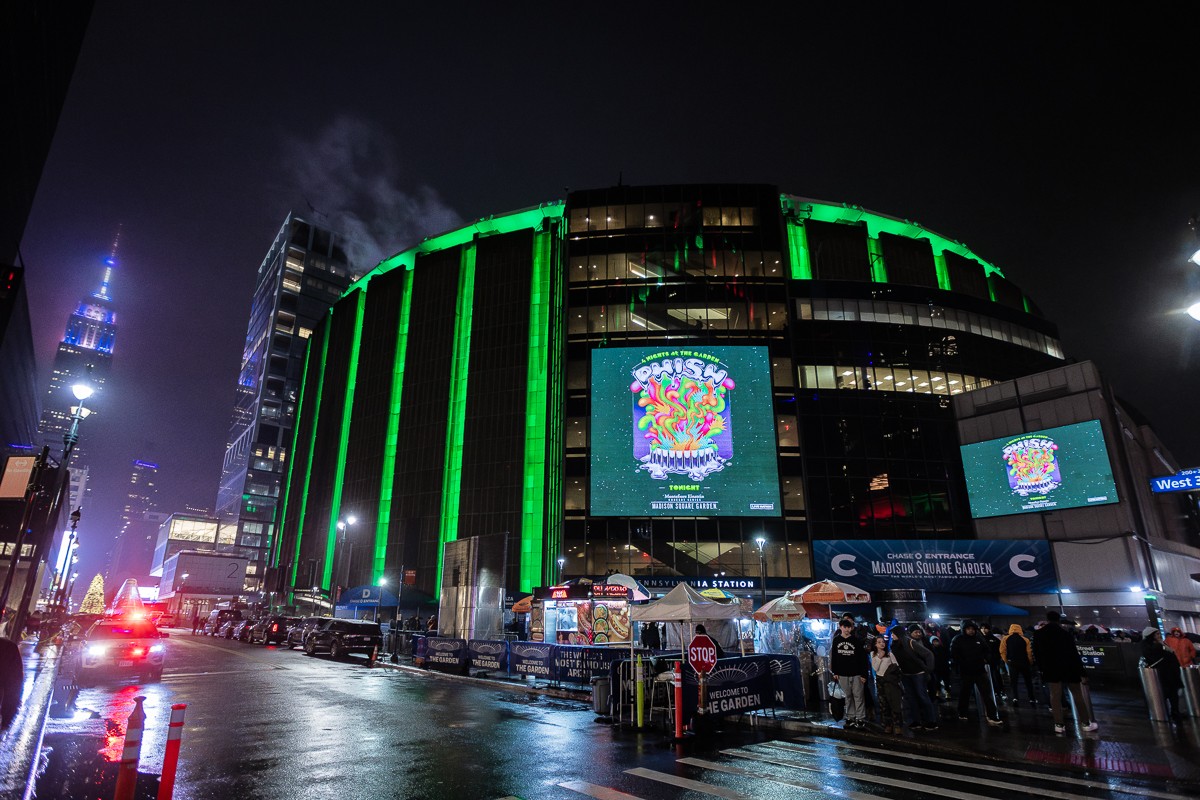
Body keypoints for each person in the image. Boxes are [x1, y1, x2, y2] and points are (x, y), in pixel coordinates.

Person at [1032, 611, 1098, 733]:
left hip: (1050, 668)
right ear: (1058, 620)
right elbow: (1074, 654)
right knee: (1077, 694)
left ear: (1047, 619)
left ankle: (1059, 725)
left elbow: (1037, 654)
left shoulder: (1038, 634)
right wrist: (1082, 672)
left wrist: (1041, 669)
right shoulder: (1065, 634)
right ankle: (1085, 723)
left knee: (1055, 696)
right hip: (1069, 668)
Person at [949, 619, 1002, 726]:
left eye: (972, 629)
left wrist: (986, 659)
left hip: (980, 671)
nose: (971, 631)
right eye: (968, 629)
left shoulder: (978, 639)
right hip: (966, 672)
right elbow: (954, 654)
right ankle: (962, 712)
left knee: (986, 694)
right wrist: (962, 663)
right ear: (964, 629)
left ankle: (992, 716)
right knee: (965, 693)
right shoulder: (958, 639)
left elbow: (987, 650)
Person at [892, 624, 938, 731]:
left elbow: (929, 654)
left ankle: (931, 721)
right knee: (911, 698)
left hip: (918, 674)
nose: (892, 636)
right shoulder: (894, 645)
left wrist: (929, 669)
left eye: (894, 634)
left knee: (922, 696)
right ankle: (916, 721)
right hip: (906, 675)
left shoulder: (910, 642)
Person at [830, 618, 870, 730]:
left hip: (856, 673)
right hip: (842, 673)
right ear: (840, 627)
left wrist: (863, 674)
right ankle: (850, 717)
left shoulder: (856, 640)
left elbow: (862, 658)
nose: (847, 629)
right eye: (845, 627)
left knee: (858, 696)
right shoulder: (836, 640)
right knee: (847, 696)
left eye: (849, 627)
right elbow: (834, 656)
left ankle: (860, 718)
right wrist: (835, 672)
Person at [1142, 626, 1184, 722]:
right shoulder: (1151, 646)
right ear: (1151, 635)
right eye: (1157, 634)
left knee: (1173, 693)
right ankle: (1163, 712)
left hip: (1171, 672)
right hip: (1162, 674)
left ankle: (1175, 711)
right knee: (1165, 693)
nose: (1159, 635)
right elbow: (1159, 656)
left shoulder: (1161, 644)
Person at [870, 635, 904, 734]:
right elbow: (875, 668)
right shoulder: (873, 654)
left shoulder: (890, 654)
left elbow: (896, 665)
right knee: (883, 704)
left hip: (890, 681)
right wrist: (880, 657)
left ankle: (897, 725)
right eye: (879, 642)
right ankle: (887, 724)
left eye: (883, 642)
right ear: (875, 644)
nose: (882, 644)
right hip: (880, 680)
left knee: (894, 702)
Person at [1000, 623, 1037, 706]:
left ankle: (1015, 697)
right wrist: (1030, 662)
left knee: (1014, 682)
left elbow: (1002, 651)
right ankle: (1031, 698)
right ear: (1020, 629)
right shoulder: (1025, 639)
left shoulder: (1005, 638)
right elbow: (1029, 652)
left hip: (1012, 662)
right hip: (1024, 663)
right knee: (1028, 681)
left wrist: (1006, 661)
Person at [979, 622, 1006, 703]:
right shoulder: (979, 639)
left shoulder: (994, 639)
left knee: (996, 676)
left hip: (994, 662)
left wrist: (997, 659)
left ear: (989, 629)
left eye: (985, 628)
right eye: (982, 628)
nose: (983, 630)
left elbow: (999, 650)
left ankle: (1000, 691)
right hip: (983, 663)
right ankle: (990, 691)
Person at [927, 635, 951, 702]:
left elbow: (947, 656)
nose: (936, 643)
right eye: (934, 641)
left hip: (944, 668)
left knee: (946, 681)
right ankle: (938, 692)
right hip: (936, 669)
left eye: (936, 641)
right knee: (937, 681)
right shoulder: (930, 650)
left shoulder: (943, 649)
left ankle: (947, 692)